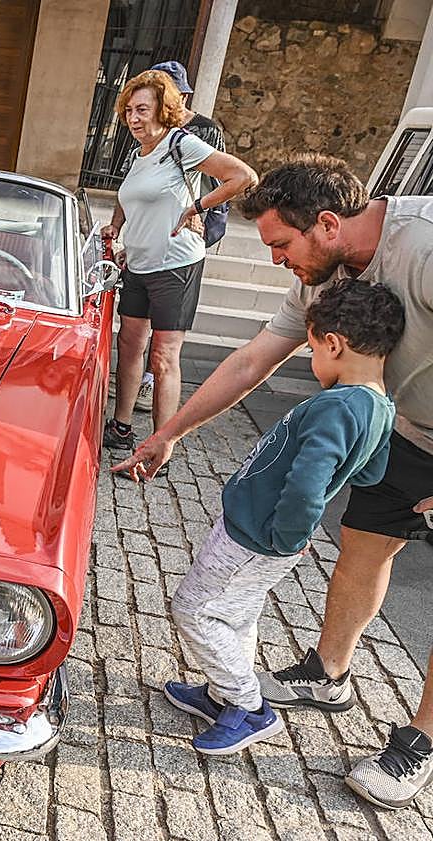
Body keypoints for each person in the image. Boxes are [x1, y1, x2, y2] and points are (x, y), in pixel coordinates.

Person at [113, 154, 433, 809]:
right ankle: (329, 671)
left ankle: (421, 740)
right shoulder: (325, 273)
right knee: (362, 547)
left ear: (325, 223)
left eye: (280, 245)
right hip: (394, 427)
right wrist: (170, 430)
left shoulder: (425, 246)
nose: (278, 260)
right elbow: (255, 358)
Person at [166, 278, 402, 755]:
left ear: (333, 344)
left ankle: (249, 707)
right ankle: (222, 695)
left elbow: (308, 483)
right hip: (271, 540)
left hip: (254, 537)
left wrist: (288, 534)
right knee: (236, 616)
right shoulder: (381, 407)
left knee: (193, 610)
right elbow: (371, 472)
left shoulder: (338, 405)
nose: (312, 361)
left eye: (312, 350)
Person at [100, 69, 257, 458]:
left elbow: (243, 176)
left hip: (176, 265)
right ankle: (120, 426)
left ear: (163, 109)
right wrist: (117, 226)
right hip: (137, 263)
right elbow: (128, 195)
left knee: (164, 356)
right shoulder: (139, 154)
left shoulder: (180, 144)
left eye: (143, 109)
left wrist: (198, 207)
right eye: (130, 111)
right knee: (130, 343)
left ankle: (159, 443)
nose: (135, 118)